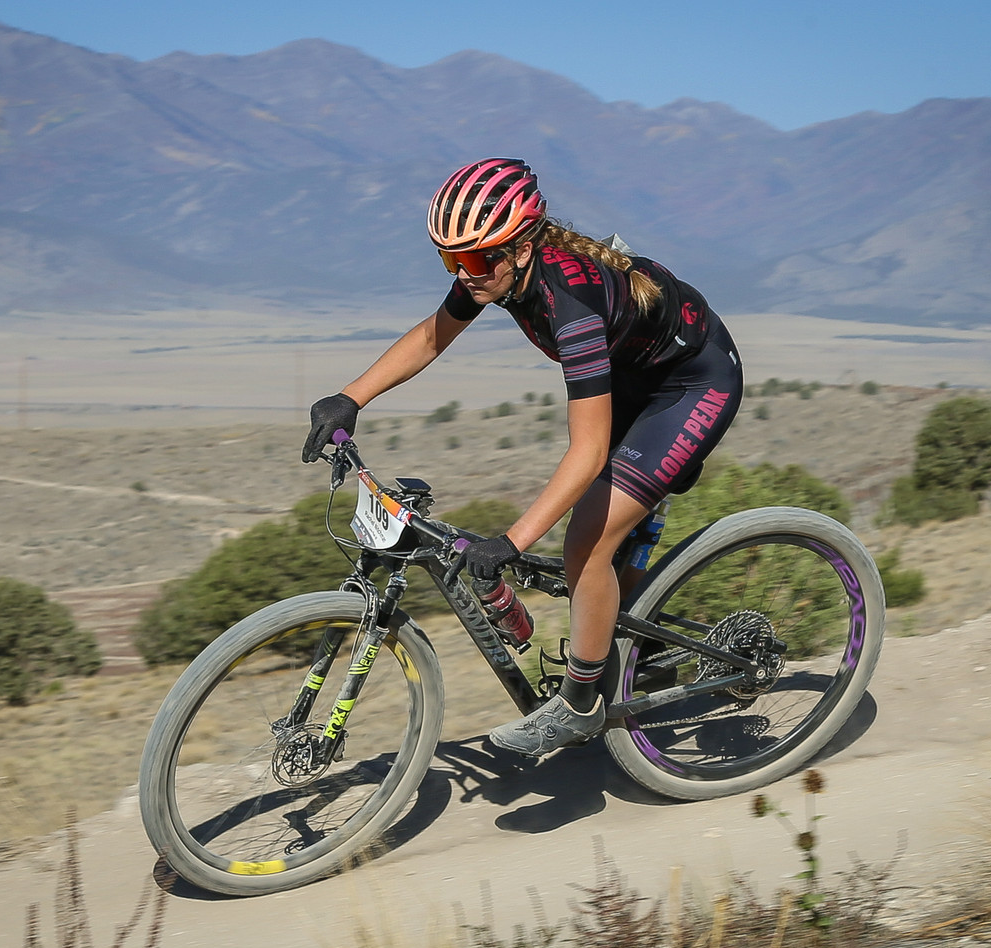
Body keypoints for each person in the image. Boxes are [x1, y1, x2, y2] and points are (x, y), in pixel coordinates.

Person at [303, 157, 743, 756]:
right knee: (604, 544)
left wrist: (511, 542)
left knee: (586, 540)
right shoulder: (496, 270)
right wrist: (350, 397)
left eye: (476, 261)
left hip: (691, 385)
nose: (464, 275)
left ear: (523, 249)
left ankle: (581, 704)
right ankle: (637, 648)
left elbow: (587, 451)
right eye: (450, 260)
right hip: (633, 376)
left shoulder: (570, 305)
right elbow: (433, 335)